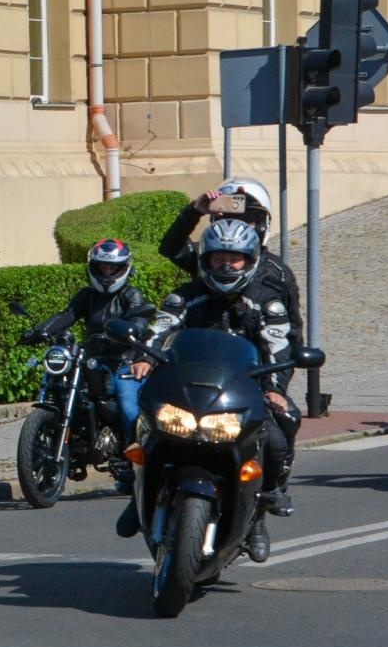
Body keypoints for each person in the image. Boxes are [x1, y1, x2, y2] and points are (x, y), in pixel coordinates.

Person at [127, 219, 297, 563]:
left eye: (234, 258)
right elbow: (160, 328)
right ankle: (139, 492)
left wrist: (275, 389)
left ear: (249, 260)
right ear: (205, 258)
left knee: (280, 431)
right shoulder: (185, 297)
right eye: (219, 257)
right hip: (186, 389)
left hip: (242, 392)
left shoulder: (266, 303)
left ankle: (263, 508)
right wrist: (144, 356)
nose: (226, 266)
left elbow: (278, 349)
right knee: (142, 424)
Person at [21, 238, 155, 492]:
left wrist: (127, 333)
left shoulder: (131, 295)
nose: (107, 273)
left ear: (123, 268)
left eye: (112, 268)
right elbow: (68, 314)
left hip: (123, 361)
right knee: (63, 391)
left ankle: (135, 460)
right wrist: (41, 331)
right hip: (91, 360)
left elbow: (138, 321)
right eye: (102, 267)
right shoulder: (87, 295)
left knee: (128, 407)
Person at [159, 176, 304, 356]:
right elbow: (171, 248)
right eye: (227, 217)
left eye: (246, 219)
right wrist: (194, 211)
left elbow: (292, 328)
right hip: (202, 357)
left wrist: (289, 361)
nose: (235, 226)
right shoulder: (205, 257)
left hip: (253, 365)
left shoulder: (278, 271)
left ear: (262, 224)